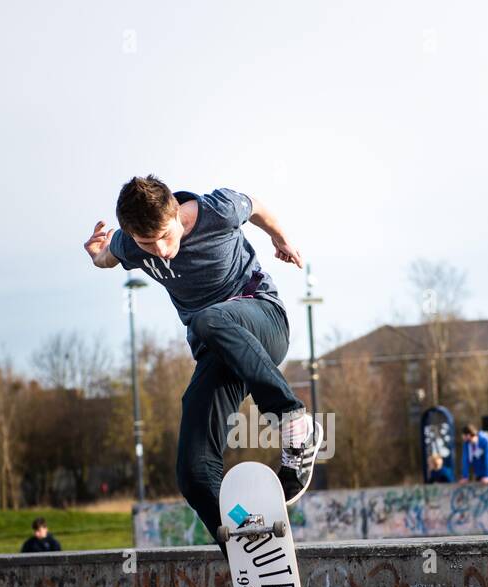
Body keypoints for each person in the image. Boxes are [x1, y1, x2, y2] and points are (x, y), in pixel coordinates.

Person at [85, 176, 320, 548]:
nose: (161, 250)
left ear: (177, 214)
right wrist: (98, 254)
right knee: (193, 472)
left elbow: (255, 204)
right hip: (222, 352)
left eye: (166, 235)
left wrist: (280, 238)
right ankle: (248, 540)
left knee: (208, 319)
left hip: (264, 321)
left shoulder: (217, 211)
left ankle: (293, 422)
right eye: (148, 243)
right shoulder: (132, 245)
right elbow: (108, 256)